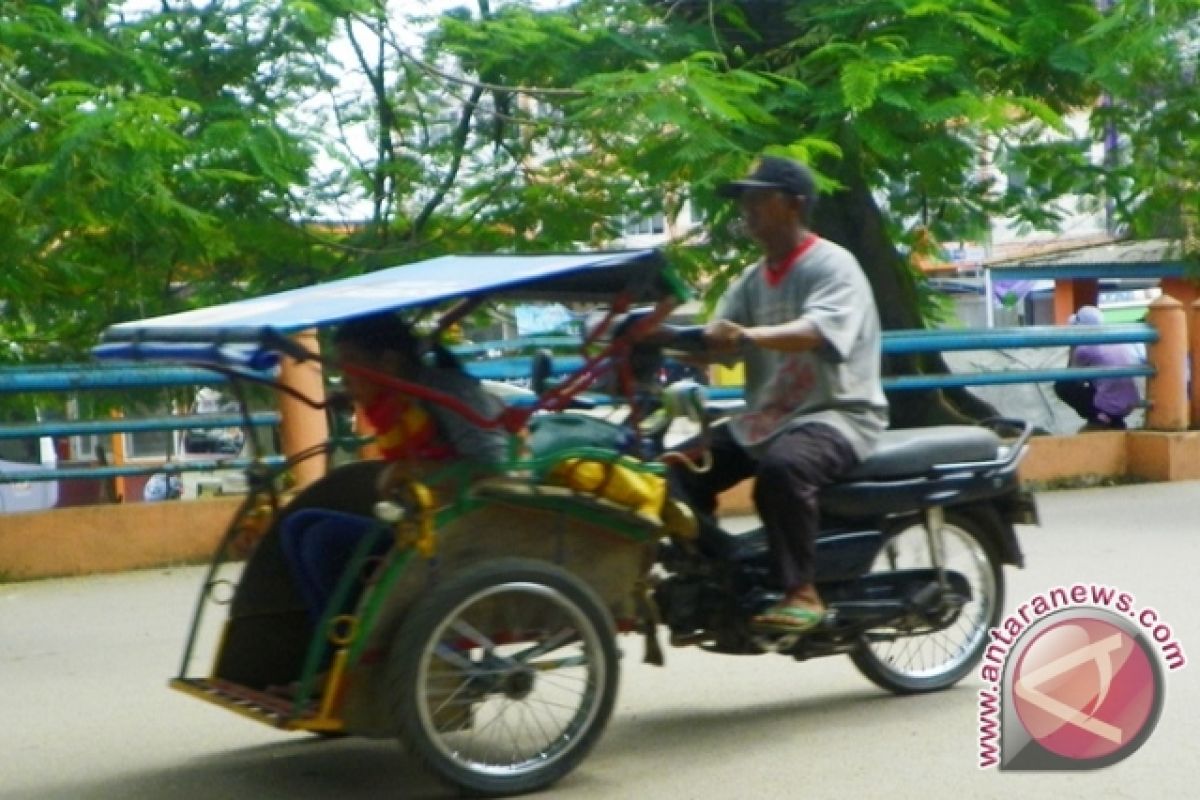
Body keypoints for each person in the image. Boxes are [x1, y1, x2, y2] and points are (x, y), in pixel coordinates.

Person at [670, 155, 888, 633]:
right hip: (767, 417)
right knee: (674, 470)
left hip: (838, 414)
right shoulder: (751, 279)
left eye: (757, 198)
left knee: (783, 469)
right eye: (744, 200)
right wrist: (656, 339)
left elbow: (815, 332)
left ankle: (801, 592)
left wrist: (747, 337)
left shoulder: (833, 265)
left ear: (793, 205)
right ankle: (718, 574)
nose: (746, 208)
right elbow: (717, 340)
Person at [282, 313, 509, 622]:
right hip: (417, 524)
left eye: (352, 363)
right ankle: (334, 644)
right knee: (298, 524)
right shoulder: (393, 399)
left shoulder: (447, 392)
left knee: (324, 540)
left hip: (458, 533)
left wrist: (410, 471)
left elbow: (492, 466)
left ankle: (352, 648)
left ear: (389, 362)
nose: (344, 377)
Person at [1053, 305, 1142, 430]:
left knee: (1062, 385)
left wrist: (1073, 345)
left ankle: (1100, 416)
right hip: (1130, 402)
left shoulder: (1085, 349)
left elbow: (1071, 377)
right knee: (1098, 382)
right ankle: (1114, 421)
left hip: (1111, 406)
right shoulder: (1116, 339)